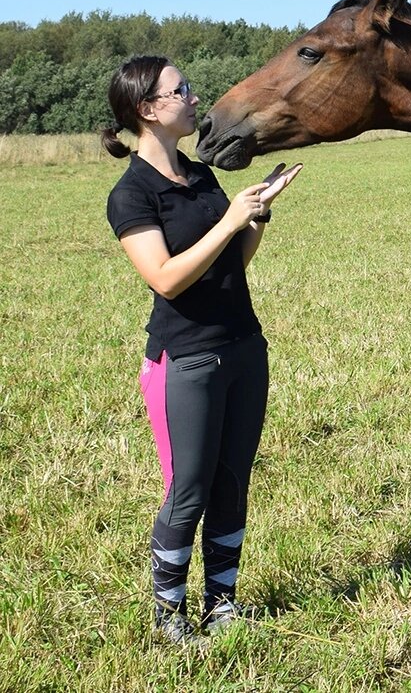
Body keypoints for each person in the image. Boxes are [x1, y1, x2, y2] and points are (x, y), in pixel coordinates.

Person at [102, 55, 302, 645]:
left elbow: (228, 266)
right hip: (185, 361)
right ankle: (169, 615)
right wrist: (228, 220)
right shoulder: (132, 194)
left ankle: (223, 604)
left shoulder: (201, 176)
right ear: (148, 110)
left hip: (244, 346)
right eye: (180, 89)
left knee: (232, 482)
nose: (193, 97)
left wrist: (256, 219)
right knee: (187, 490)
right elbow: (164, 277)